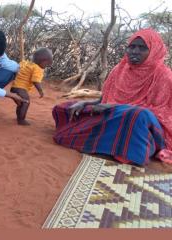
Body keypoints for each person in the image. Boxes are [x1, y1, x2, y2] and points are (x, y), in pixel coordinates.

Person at [52, 28, 172, 166]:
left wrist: (112, 107)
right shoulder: (119, 69)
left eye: (142, 48)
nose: (135, 51)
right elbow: (104, 99)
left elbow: (163, 112)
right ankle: (107, 144)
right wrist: (84, 103)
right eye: (132, 47)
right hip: (113, 113)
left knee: (136, 116)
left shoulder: (164, 75)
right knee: (64, 108)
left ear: (154, 51)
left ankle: (129, 150)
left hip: (142, 121)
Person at [11, 48, 53, 125]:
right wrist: (40, 91)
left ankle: (19, 117)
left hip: (14, 87)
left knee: (21, 104)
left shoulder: (27, 63)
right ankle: (21, 120)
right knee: (26, 102)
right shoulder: (37, 68)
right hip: (21, 88)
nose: (45, 67)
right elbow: (35, 81)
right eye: (46, 65)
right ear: (43, 61)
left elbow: (19, 66)